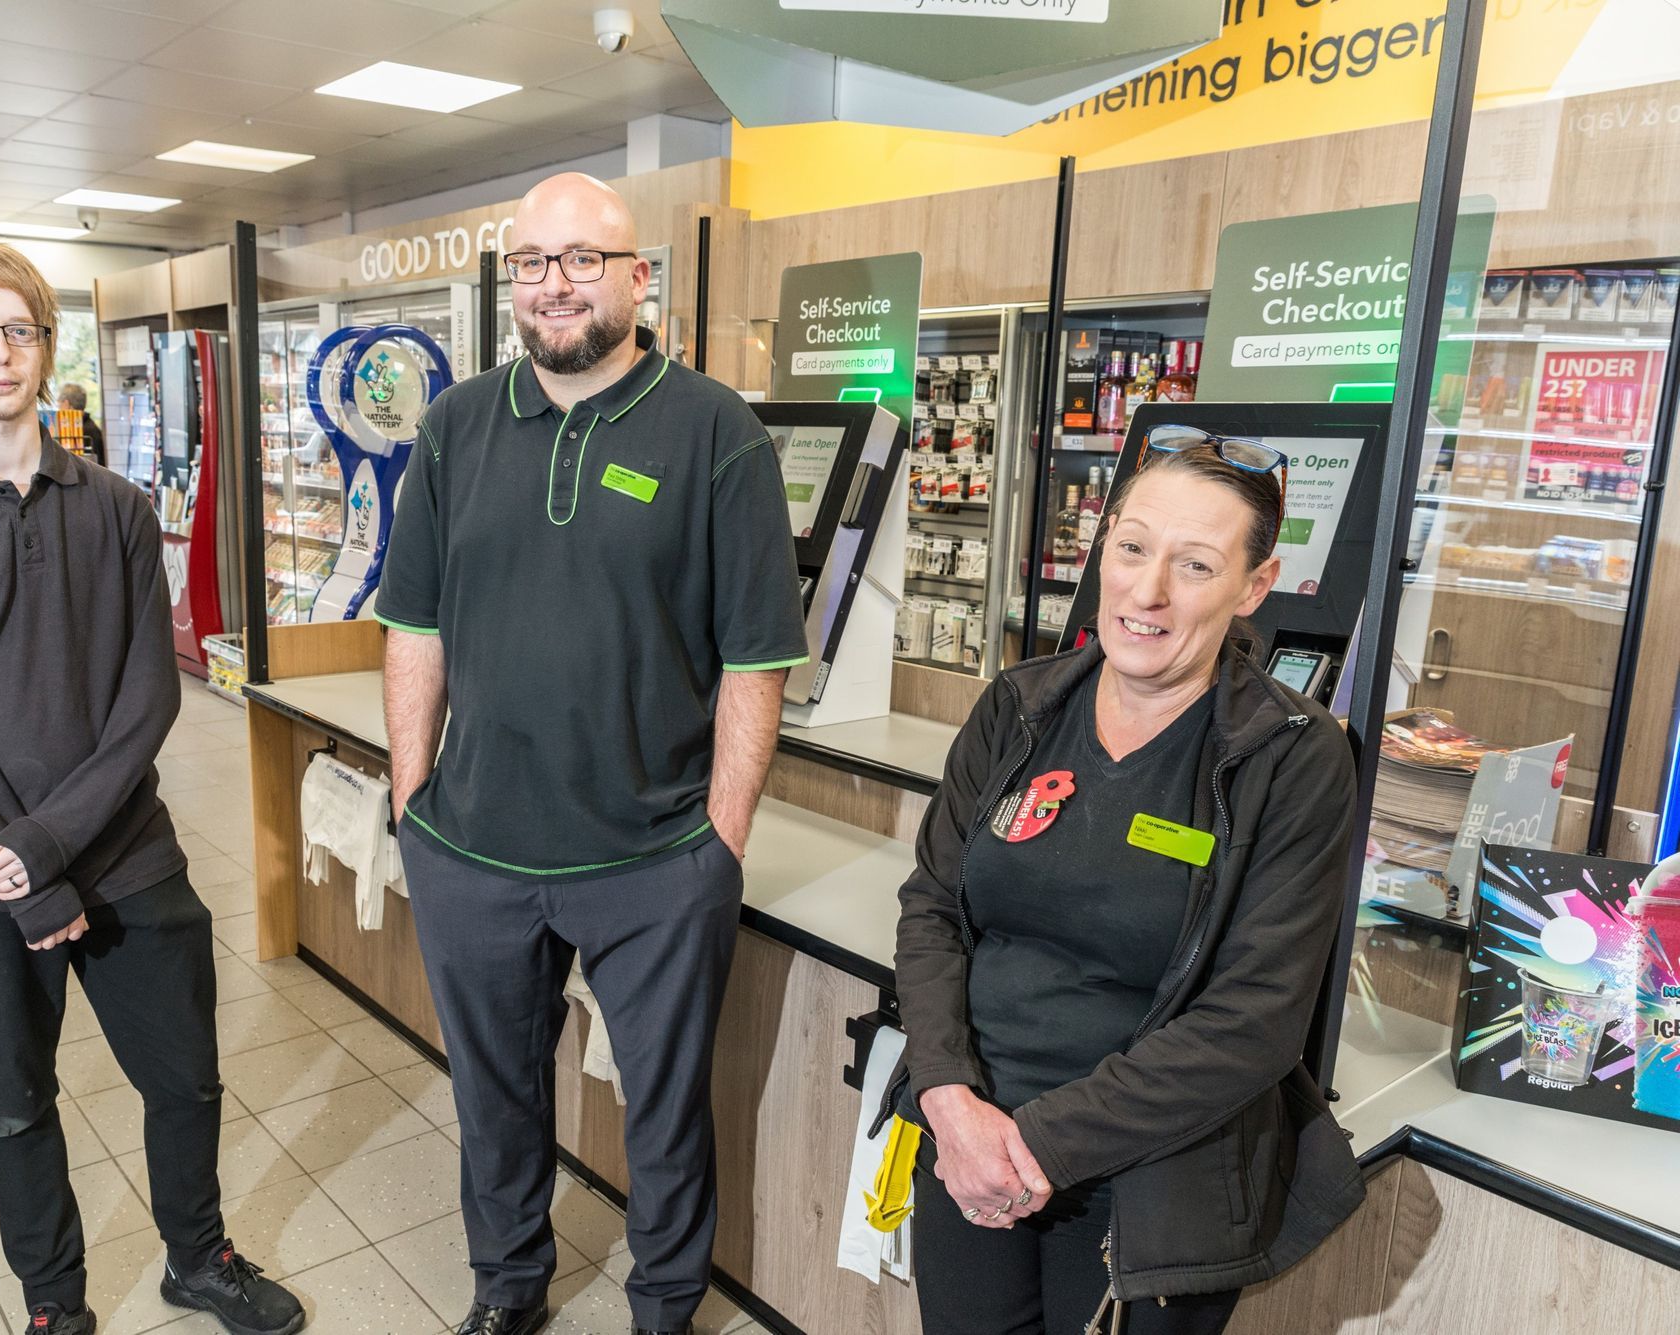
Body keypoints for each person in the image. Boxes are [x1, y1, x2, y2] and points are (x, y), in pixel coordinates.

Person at [0, 241, 306, 1335]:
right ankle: (55, 1304)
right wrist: (27, 878)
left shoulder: (117, 509)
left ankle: (199, 1256)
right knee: (13, 1107)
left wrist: (52, 848)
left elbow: (146, 702)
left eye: (20, 328)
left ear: (47, 343)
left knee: (183, 1081)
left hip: (126, 853)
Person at [376, 173, 808, 1335]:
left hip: (654, 855)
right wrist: (412, 800)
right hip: (471, 846)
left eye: (581, 260)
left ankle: (663, 1306)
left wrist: (717, 841)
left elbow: (754, 659)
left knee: (664, 1111)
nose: (553, 284)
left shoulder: (717, 433)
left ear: (636, 278)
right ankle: (507, 1287)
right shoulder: (456, 426)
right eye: (532, 263)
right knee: (492, 1098)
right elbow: (411, 625)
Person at [890, 431, 1365, 1335]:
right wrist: (948, 1098)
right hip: (964, 1141)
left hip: (1147, 1187)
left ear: (1253, 587)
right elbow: (932, 910)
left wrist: (1032, 1145)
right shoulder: (1020, 707)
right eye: (1132, 546)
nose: (1147, 592)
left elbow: (1254, 1022)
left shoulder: (1292, 758)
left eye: (1194, 564)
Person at [57, 380, 106, 465]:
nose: (58, 409)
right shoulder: (92, 428)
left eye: (59, 404)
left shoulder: (87, 431)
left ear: (66, 403)